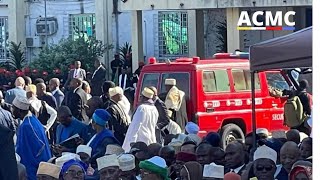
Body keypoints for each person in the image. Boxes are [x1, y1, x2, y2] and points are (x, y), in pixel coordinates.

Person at [14, 96, 52, 180]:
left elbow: (36, 149)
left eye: (14, 108)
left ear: (19, 111)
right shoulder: (32, 120)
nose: (12, 110)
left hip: (32, 170)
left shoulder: (27, 125)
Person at [122, 88, 159, 152]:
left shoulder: (142, 108)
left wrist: (131, 142)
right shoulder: (154, 109)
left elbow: (135, 126)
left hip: (140, 141)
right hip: (151, 139)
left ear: (143, 98)